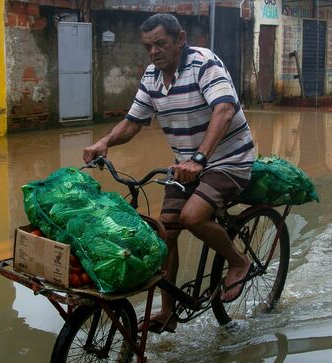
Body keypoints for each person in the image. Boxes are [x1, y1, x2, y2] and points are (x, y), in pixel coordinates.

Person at [83, 13, 255, 333]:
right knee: (164, 235)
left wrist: (201, 158)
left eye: (160, 44)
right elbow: (134, 122)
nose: (153, 52)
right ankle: (168, 311)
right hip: (185, 167)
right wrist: (105, 141)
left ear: (180, 39)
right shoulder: (152, 77)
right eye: (148, 47)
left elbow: (224, 109)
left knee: (192, 217)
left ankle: (238, 260)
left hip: (229, 161)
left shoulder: (205, 64)